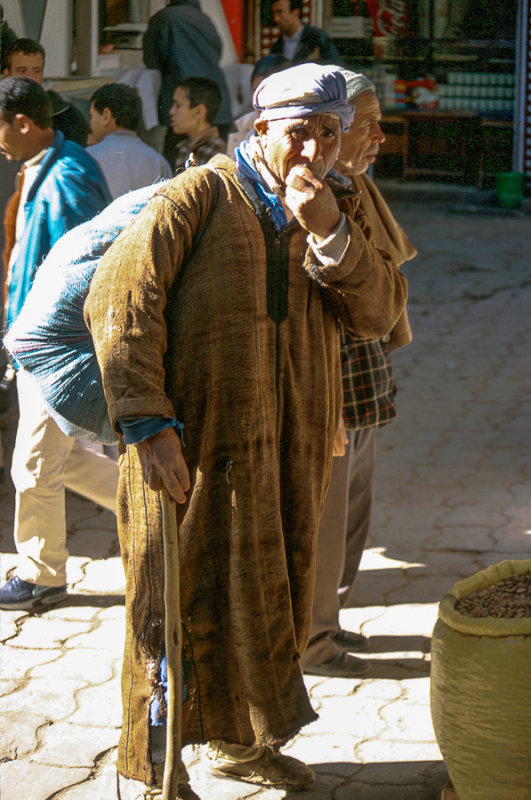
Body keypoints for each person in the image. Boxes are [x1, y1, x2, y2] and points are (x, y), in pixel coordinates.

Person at [84, 62, 407, 799]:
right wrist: (148, 425)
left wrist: (329, 232)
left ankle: (241, 745)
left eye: (329, 134)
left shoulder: (336, 207)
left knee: (273, 599)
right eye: (298, 134)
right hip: (188, 449)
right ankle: (157, 771)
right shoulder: (199, 195)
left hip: (288, 453)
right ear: (260, 130)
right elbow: (121, 303)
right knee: (174, 607)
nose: (314, 152)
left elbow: (379, 312)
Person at [300, 70, 417, 678]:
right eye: (365, 123)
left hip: (364, 384)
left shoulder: (353, 188)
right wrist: (326, 409)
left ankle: (331, 625)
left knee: (352, 516)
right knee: (324, 520)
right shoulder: (305, 198)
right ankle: (312, 642)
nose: (378, 134)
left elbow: (380, 289)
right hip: (329, 395)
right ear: (329, 129)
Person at [0, 77, 117, 611]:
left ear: (22, 123)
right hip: (38, 342)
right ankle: (167, 510)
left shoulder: (67, 176)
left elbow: (88, 268)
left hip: (57, 348)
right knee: (61, 460)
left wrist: (58, 346)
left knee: (33, 464)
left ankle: (42, 574)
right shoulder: (44, 168)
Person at [142, 0, 233, 167]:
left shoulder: (165, 17)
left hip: (186, 104)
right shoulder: (206, 19)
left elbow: (151, 59)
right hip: (217, 105)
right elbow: (219, 51)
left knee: (175, 171)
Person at [87, 83, 173, 200]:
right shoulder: (159, 162)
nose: (90, 122)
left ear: (106, 116)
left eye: (92, 115)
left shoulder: (88, 157)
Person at [3, 38, 89, 147]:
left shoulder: (66, 117)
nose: (30, 78)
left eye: (36, 71)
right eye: (22, 71)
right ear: (7, 75)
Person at [226, 54, 289, 157]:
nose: (262, 100)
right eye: (256, 91)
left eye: (270, 91)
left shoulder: (299, 129)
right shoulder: (242, 125)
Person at [169, 76, 226, 171]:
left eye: (178, 106)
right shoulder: (184, 148)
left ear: (199, 112)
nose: (171, 111)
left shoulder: (216, 150)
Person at [270, 0, 343, 65]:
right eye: (274, 14)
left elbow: (336, 68)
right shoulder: (277, 46)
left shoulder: (317, 38)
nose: (276, 19)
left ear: (295, 13)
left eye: (280, 12)